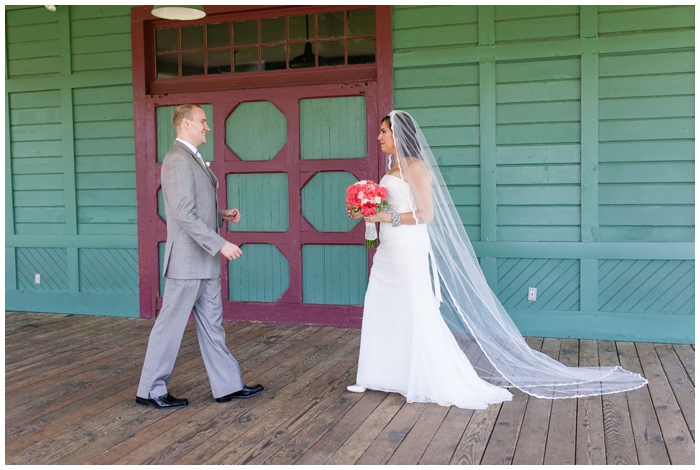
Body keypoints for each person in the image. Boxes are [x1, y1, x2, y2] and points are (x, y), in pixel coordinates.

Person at [346, 110, 647, 408]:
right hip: (388, 248)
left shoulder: (417, 168)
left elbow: (427, 214)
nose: (379, 136)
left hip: (408, 247)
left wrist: (384, 215)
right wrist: (368, 211)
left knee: (412, 306)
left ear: (399, 135)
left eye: (384, 131)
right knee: (381, 301)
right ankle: (377, 374)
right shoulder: (392, 167)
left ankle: (417, 377)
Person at [136, 104, 263, 409]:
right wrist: (221, 243)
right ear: (185, 124)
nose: (208, 127)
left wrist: (221, 214)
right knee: (169, 327)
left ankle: (228, 386)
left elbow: (195, 209)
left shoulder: (192, 159)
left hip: (204, 261)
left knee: (213, 326)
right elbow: (181, 214)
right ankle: (150, 390)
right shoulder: (177, 159)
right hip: (187, 262)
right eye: (203, 122)